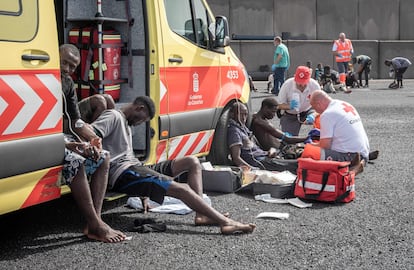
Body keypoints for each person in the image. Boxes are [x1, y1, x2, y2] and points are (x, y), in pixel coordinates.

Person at [91, 96, 256, 235]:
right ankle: (225, 222)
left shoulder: (125, 121)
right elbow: (91, 133)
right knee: (181, 188)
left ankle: (202, 215)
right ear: (139, 108)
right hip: (122, 172)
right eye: (142, 119)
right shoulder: (113, 116)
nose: (140, 123)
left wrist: (143, 194)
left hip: (135, 166)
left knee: (192, 162)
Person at [60, 44, 126, 243]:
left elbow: (75, 121)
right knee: (74, 160)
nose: (67, 69)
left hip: (63, 136)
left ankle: (94, 222)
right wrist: (67, 143)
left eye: (72, 67)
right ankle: (96, 224)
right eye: (64, 62)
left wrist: (92, 140)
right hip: (46, 138)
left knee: (103, 156)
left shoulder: (68, 83)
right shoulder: (42, 80)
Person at [303, 90, 369, 174]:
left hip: (350, 155)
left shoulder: (327, 114)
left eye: (314, 107)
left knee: (310, 152)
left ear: (318, 104)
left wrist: (310, 145)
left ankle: (351, 166)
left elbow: (325, 146)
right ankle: (361, 161)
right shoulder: (344, 104)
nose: (316, 111)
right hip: (363, 151)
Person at [227, 102, 298, 173]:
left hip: (266, 157)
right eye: (240, 114)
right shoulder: (234, 131)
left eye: (245, 114)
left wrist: (269, 152)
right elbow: (236, 158)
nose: (243, 118)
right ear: (232, 114)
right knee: (298, 165)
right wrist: (253, 170)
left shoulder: (242, 128)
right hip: (261, 163)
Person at [276, 66, 319, 136]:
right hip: (290, 114)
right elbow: (279, 105)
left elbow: (320, 105)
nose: (301, 85)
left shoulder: (314, 86)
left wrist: (313, 115)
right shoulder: (287, 85)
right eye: (299, 82)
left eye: (304, 82)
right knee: (289, 139)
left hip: (308, 111)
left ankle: (318, 140)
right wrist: (289, 106)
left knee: (322, 118)